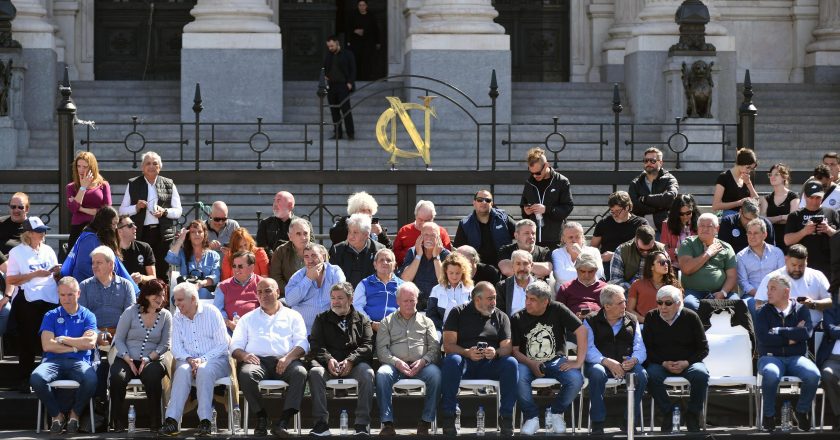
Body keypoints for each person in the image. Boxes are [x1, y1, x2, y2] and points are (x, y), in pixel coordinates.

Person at [230, 277, 308, 437]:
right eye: (259, 292)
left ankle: (283, 422)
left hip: (286, 360)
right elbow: (234, 346)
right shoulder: (248, 318)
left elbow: (303, 343)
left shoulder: (293, 316)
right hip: (258, 362)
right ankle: (261, 417)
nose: (263, 295)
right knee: (246, 374)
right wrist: (244, 355)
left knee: (300, 373)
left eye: (268, 291)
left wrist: (288, 358)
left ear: (278, 292)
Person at [439, 282, 518, 436]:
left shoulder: (501, 316)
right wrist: (467, 352)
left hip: (490, 364)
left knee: (511, 363)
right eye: (490, 298)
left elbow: (507, 348)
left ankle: (506, 416)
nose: (494, 302)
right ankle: (449, 415)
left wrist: (495, 353)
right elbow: (448, 345)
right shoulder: (458, 313)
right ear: (477, 300)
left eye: (494, 298)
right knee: (451, 360)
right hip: (465, 363)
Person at [512, 280, 586, 435]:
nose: (527, 303)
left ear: (545, 301)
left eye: (532, 300)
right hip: (526, 362)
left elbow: (581, 331)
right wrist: (531, 363)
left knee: (576, 379)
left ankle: (555, 412)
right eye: (527, 298)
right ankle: (532, 417)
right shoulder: (517, 318)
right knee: (518, 375)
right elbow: (515, 351)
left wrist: (578, 361)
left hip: (556, 361)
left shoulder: (557, 309)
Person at [159, 282, 231, 437]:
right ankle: (172, 420)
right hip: (188, 360)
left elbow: (223, 344)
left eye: (179, 300)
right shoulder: (177, 317)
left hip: (216, 360)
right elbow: (176, 347)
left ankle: (205, 420)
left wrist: (202, 359)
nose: (176, 304)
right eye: (175, 300)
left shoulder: (212, 313)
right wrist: (190, 359)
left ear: (192, 299)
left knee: (204, 370)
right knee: (183, 370)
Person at [30, 277, 97, 434]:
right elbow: (47, 345)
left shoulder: (88, 316)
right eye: (62, 295)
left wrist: (63, 340)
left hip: (79, 362)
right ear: (58, 295)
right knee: (36, 377)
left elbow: (90, 343)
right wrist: (75, 347)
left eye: (70, 295)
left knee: (91, 379)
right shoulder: (50, 315)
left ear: (78, 293)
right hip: (53, 361)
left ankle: (75, 414)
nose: (66, 299)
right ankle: (57, 416)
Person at [308, 282, 375, 435]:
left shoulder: (362, 319)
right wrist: (328, 359)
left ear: (350, 299)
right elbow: (316, 344)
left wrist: (351, 360)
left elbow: (368, 345)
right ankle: (321, 424)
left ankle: (361, 424)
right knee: (315, 373)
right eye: (333, 298)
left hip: (355, 365)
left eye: (340, 298)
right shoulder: (321, 318)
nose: (335, 302)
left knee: (368, 374)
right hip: (327, 365)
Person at [755, 274, 820, 432]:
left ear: (786, 292)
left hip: (796, 357)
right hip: (770, 357)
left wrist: (778, 331)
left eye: (773, 288)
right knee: (770, 373)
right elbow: (763, 338)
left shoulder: (801, 309)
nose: (768, 292)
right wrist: (791, 337)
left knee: (813, 375)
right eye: (768, 288)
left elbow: (806, 333)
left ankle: (801, 411)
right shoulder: (763, 312)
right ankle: (769, 415)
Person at [376, 282, 441, 436]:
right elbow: (381, 350)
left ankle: (426, 421)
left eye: (412, 300)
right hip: (394, 365)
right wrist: (396, 362)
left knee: (436, 375)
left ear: (417, 300)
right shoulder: (387, 321)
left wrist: (424, 361)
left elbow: (435, 348)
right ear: (397, 301)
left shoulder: (427, 322)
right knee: (382, 374)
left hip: (422, 365)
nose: (409, 304)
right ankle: (387, 424)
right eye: (405, 301)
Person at [642, 285, 709, 433]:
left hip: (688, 362)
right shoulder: (651, 317)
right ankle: (669, 412)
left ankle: (692, 414)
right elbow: (647, 349)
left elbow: (703, 349)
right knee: (650, 375)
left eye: (668, 303)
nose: (663, 307)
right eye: (659, 303)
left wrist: (687, 362)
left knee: (701, 374)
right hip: (661, 363)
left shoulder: (691, 317)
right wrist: (663, 363)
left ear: (678, 303)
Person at [109, 279, 172, 433]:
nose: (160, 299)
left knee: (152, 376)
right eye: (156, 296)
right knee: (118, 377)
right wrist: (127, 358)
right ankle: (117, 421)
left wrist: (149, 358)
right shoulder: (130, 312)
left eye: (162, 296)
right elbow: (120, 339)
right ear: (146, 295)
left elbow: (165, 344)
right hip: (126, 357)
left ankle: (155, 422)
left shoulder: (166, 316)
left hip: (154, 359)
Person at [583, 284, 647, 434]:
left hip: (627, 363)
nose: (625, 305)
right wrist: (606, 361)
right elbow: (587, 349)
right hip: (600, 363)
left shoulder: (631, 319)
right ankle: (598, 423)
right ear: (607, 306)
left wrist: (635, 360)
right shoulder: (590, 320)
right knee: (597, 373)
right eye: (620, 303)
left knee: (641, 375)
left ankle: (629, 421)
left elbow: (640, 347)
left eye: (624, 301)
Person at [6, 216, 60, 393]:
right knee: (28, 341)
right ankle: (25, 379)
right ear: (28, 234)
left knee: (50, 339)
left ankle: (50, 376)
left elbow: (53, 275)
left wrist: (57, 271)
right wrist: (33, 275)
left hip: (49, 298)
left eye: (44, 230)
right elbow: (11, 279)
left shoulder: (48, 250)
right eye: (39, 231)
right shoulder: (16, 253)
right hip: (28, 299)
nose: (43, 234)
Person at [78, 246, 137, 399]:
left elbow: (131, 317)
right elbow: (82, 317)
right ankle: (99, 405)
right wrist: (97, 335)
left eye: (99, 262)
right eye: (93, 263)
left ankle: (109, 409)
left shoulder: (126, 285)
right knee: (98, 362)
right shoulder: (84, 286)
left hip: (120, 337)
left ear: (111, 265)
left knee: (112, 361)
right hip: (93, 336)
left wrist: (117, 335)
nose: (94, 266)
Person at [118, 151, 183, 278]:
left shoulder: (169, 183)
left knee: (162, 271)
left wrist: (165, 212)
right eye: (148, 163)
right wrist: (136, 207)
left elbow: (178, 211)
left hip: (162, 234)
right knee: (141, 269)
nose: (151, 166)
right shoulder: (133, 184)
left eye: (155, 163)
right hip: (141, 232)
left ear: (160, 167)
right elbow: (122, 211)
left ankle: (162, 297)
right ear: (142, 168)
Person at [61, 206, 137, 291]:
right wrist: (106, 278)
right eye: (114, 224)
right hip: (88, 289)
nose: (115, 227)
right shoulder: (90, 238)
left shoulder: (97, 237)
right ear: (105, 223)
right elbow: (82, 266)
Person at [755, 245, 832, 326]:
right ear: (786, 260)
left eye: (801, 266)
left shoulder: (817, 275)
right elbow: (759, 305)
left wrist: (813, 304)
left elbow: (832, 301)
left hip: (814, 328)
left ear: (806, 261)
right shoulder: (771, 278)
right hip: (781, 330)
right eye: (794, 265)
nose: (797, 269)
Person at [678, 213, 739, 310]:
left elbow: (732, 276)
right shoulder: (688, 243)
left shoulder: (726, 247)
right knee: (689, 304)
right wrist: (708, 253)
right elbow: (686, 269)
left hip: (720, 291)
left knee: (736, 303)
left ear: (717, 229)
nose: (705, 229)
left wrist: (723, 293)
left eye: (709, 226)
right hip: (694, 292)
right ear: (697, 228)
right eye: (702, 226)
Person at [284, 242, 346, 334]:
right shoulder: (298, 276)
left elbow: (341, 293)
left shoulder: (334, 271)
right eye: (306, 256)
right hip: (304, 330)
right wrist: (308, 279)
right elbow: (290, 301)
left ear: (323, 257)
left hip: (330, 328)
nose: (310, 260)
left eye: (314, 255)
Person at [521, 147, 574, 249]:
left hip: (555, 239)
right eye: (531, 172)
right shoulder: (529, 182)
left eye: (537, 172)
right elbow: (523, 205)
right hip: (534, 240)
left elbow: (568, 207)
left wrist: (546, 209)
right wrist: (526, 212)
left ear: (546, 165)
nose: (534, 176)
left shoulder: (561, 181)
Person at [785, 181, 839, 279]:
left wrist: (829, 230)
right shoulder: (795, 216)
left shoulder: (831, 213)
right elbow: (787, 240)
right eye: (811, 197)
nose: (814, 201)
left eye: (818, 198)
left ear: (823, 196)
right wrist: (804, 232)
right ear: (805, 196)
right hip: (802, 266)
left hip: (828, 266)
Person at [591, 191, 648, 275]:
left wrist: (615, 255)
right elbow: (593, 248)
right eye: (612, 211)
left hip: (631, 266)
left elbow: (645, 250)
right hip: (607, 266)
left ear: (627, 207)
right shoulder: (603, 223)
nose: (615, 215)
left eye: (617, 211)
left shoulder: (640, 224)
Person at [454, 189, 515, 267]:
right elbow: (458, 249)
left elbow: (520, 233)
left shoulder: (504, 218)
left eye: (487, 200)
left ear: (491, 203)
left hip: (503, 265)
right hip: (477, 267)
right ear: (474, 203)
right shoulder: (465, 224)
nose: (484, 202)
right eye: (480, 200)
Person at [397, 221, 450, 310]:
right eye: (426, 235)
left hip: (438, 302)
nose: (429, 238)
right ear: (420, 236)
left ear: (439, 237)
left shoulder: (445, 254)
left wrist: (436, 256)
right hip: (415, 302)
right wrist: (418, 255)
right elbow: (405, 279)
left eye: (433, 235)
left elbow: (443, 281)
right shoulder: (413, 251)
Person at [165, 220, 221, 300]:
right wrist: (181, 239)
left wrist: (200, 284)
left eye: (199, 231)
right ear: (189, 236)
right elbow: (170, 258)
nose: (196, 234)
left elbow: (215, 277)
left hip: (205, 296)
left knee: (203, 292)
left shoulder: (214, 255)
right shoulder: (182, 253)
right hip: (186, 296)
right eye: (193, 232)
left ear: (204, 234)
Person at [628, 147, 679, 233]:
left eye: (653, 161)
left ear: (661, 162)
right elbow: (633, 206)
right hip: (641, 232)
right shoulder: (636, 183)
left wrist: (644, 199)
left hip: (664, 231)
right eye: (646, 160)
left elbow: (670, 198)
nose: (649, 163)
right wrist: (659, 207)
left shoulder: (669, 179)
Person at [66, 151, 111, 248]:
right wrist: (83, 187)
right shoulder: (71, 187)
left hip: (99, 228)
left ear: (92, 168)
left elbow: (106, 212)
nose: (81, 170)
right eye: (78, 166)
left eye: (85, 167)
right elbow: (73, 208)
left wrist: (81, 209)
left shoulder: (103, 185)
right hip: (78, 229)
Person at [329, 213, 385, 287]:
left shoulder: (379, 250)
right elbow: (332, 279)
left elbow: (383, 278)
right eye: (349, 231)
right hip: (345, 295)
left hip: (371, 294)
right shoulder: (337, 250)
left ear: (366, 234)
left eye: (355, 232)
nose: (351, 236)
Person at [353, 248, 403, 329]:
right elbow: (357, 307)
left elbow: (406, 307)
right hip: (368, 327)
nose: (385, 263)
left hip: (395, 327)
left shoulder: (402, 286)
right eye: (381, 260)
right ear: (375, 265)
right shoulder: (364, 284)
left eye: (388, 260)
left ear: (394, 265)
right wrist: (370, 323)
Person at [215, 251, 264, 333]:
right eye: (234, 266)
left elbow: (268, 309)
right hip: (229, 329)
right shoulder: (223, 286)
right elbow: (217, 311)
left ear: (251, 267)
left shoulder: (262, 283)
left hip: (257, 328)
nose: (236, 269)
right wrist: (229, 323)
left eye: (240, 266)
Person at [736, 219, 785, 300]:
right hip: (751, 296)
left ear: (764, 235)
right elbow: (743, 282)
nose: (752, 236)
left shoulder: (777, 252)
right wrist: (760, 295)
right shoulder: (741, 256)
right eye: (749, 233)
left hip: (776, 294)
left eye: (756, 233)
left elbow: (782, 277)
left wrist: (771, 295)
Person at [628, 250, 682, 324]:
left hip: (669, 325)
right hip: (644, 325)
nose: (666, 264)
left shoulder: (674, 285)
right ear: (651, 266)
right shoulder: (637, 284)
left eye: (667, 262)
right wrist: (646, 321)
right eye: (662, 262)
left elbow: (680, 307)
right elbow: (629, 310)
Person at [392, 200, 452, 265]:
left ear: (433, 218)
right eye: (420, 220)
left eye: (427, 220)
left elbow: (447, 256)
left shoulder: (441, 232)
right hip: (408, 267)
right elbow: (395, 254)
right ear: (415, 216)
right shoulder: (405, 230)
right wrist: (413, 254)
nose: (423, 223)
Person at [609, 225, 665, 291]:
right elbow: (615, 281)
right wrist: (637, 288)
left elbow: (667, 276)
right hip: (628, 292)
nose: (645, 253)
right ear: (635, 239)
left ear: (654, 240)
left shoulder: (660, 250)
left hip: (655, 291)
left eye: (649, 250)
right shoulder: (622, 250)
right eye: (641, 249)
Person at [427, 252, 473, 331]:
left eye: (457, 273)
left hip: (465, 331)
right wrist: (444, 327)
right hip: (441, 331)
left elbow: (474, 313)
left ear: (463, 272)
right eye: (451, 273)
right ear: (445, 271)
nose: (454, 276)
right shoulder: (436, 290)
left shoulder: (471, 289)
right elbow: (431, 315)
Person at [760, 163, 797, 253]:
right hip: (771, 236)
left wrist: (773, 219)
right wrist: (782, 217)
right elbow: (763, 220)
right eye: (770, 174)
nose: (772, 177)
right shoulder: (766, 199)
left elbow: (793, 217)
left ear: (784, 177)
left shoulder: (793, 196)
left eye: (776, 174)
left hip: (787, 235)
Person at [556, 252, 608, 318]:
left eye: (590, 271)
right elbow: (558, 313)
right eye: (582, 271)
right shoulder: (565, 288)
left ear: (596, 270)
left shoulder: (605, 289)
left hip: (599, 324)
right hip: (573, 325)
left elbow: (612, 312)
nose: (586, 275)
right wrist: (573, 318)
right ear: (576, 269)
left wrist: (594, 315)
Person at [324, 34, 356, 140]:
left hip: (343, 86)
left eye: (332, 46)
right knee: (334, 112)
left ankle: (350, 133)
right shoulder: (328, 55)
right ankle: (338, 133)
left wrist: (350, 83)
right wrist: (325, 76)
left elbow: (353, 69)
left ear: (337, 43)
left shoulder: (347, 54)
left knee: (346, 110)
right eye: (328, 46)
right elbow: (324, 68)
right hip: (331, 87)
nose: (330, 48)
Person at [712, 148, 759, 217]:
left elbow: (756, 201)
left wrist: (749, 183)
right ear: (740, 163)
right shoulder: (724, 177)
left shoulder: (746, 178)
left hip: (746, 216)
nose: (749, 171)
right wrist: (739, 203)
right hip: (730, 216)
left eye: (752, 169)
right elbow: (715, 206)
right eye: (748, 167)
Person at [269, 217, 310, 296]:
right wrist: (294, 292)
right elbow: (276, 277)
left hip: (314, 295)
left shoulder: (319, 251)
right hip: (288, 294)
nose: (303, 237)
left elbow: (326, 275)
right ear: (290, 236)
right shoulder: (280, 251)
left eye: (305, 233)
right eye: (298, 234)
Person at [817, 298, 840, 431]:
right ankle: (839, 415)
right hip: (833, 358)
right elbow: (832, 330)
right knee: (827, 374)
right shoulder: (831, 310)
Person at [660, 194, 700, 268]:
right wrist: (677, 251)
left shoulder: (699, 223)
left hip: (695, 263)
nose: (685, 217)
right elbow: (663, 248)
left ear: (693, 210)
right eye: (681, 214)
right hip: (674, 264)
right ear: (676, 213)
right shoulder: (667, 224)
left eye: (688, 213)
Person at [346, 0, 381, 81]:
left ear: (366, 6)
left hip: (368, 42)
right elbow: (348, 27)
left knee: (367, 60)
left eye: (363, 5)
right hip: (356, 42)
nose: (361, 7)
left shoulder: (371, 16)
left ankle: (366, 78)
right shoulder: (353, 15)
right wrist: (355, 31)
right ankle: (356, 78)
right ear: (358, 6)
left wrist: (378, 42)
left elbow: (375, 29)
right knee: (356, 59)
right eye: (360, 5)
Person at [116, 215, 157, 285]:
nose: (135, 227)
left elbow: (153, 278)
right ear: (119, 231)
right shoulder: (110, 251)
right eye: (130, 225)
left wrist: (141, 278)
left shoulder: (144, 248)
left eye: (134, 224)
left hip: (140, 294)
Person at [497, 250, 538, 316]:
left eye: (525, 263)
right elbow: (501, 316)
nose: (522, 268)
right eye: (518, 264)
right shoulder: (503, 287)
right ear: (512, 266)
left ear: (531, 265)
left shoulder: (541, 286)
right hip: (512, 325)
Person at [256, 191, 296, 258]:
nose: (274, 204)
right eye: (274, 201)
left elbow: (309, 246)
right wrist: (275, 258)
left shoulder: (303, 224)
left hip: (295, 265)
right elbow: (261, 246)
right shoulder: (265, 223)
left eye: (278, 201)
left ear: (290, 205)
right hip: (271, 265)